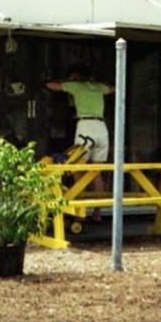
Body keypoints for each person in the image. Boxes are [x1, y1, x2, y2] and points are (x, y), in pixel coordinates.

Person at [46, 66, 115, 220]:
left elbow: (51, 85)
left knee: (78, 168)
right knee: (96, 172)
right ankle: (97, 213)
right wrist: (98, 84)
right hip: (102, 127)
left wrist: (68, 82)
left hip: (85, 127)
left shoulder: (76, 86)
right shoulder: (98, 87)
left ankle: (79, 212)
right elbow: (115, 88)